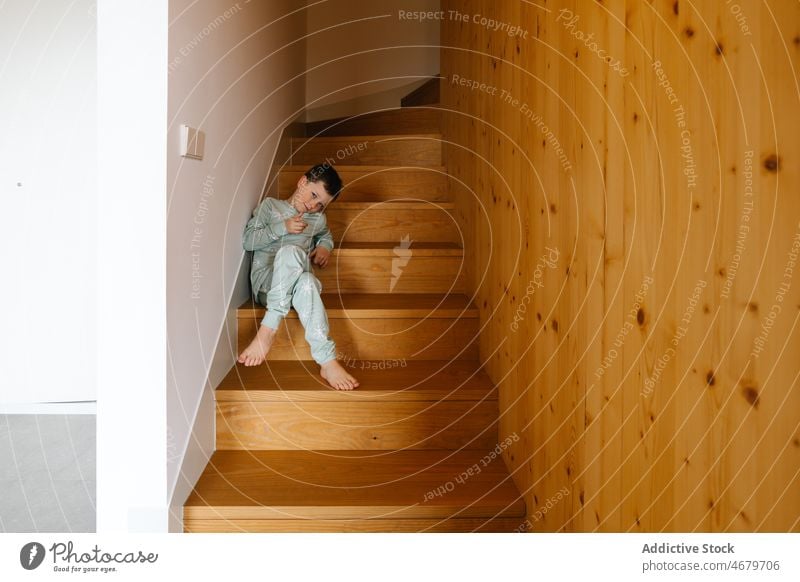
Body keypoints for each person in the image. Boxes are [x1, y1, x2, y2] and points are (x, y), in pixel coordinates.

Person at [237, 163, 360, 391]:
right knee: (290, 252)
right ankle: (269, 330)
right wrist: (282, 227)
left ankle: (326, 360)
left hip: (298, 288)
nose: (314, 205)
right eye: (313, 195)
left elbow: (325, 236)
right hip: (268, 283)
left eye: (320, 204)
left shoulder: (318, 221)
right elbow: (249, 241)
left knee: (307, 281)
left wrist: (325, 247)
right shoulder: (270, 206)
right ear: (302, 182)